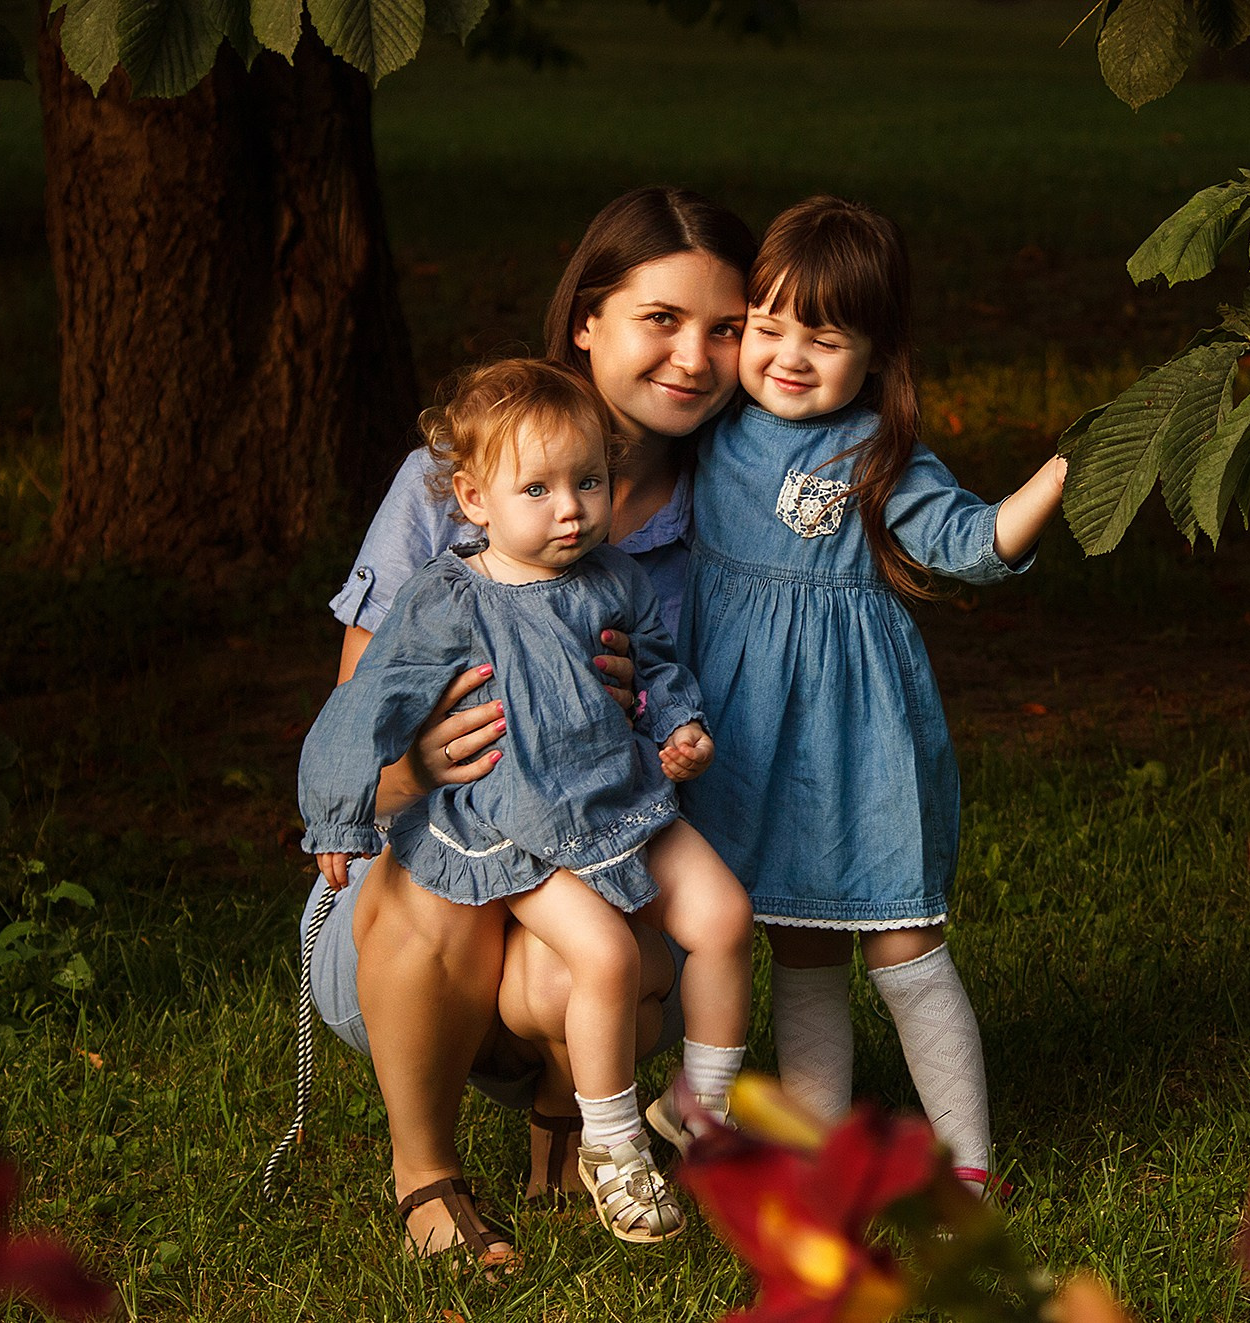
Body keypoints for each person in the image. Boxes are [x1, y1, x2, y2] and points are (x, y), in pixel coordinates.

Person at [299, 186, 758, 1263]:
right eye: (661, 319)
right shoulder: (457, 477)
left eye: (725, 329)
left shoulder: (720, 508)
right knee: (455, 860)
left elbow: (669, 689)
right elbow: (358, 712)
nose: (693, 357)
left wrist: (655, 722)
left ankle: (573, 1127)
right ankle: (426, 1176)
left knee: (616, 940)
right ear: (587, 318)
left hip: (591, 835)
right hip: (418, 881)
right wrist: (411, 773)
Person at [677, 196, 1067, 1196]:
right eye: (768, 329)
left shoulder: (875, 456)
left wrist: (1065, 470)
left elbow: (972, 544)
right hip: (741, 732)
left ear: (877, 353)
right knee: (797, 936)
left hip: (857, 734)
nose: (790, 356)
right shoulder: (711, 433)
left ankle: (968, 1162)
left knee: (899, 932)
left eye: (825, 336)